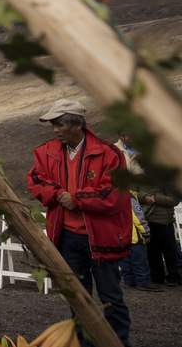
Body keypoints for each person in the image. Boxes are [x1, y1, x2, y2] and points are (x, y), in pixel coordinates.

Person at [27, 99, 132, 347]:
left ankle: (118, 343)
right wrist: (58, 195)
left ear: (77, 125)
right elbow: (36, 180)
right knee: (77, 298)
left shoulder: (109, 153)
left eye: (59, 124)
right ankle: (84, 343)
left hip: (101, 238)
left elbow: (114, 194)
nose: (55, 130)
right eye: (53, 125)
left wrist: (76, 199)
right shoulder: (45, 152)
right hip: (66, 237)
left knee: (111, 297)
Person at [139, 184, 180, 287]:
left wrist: (155, 198)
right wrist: (144, 197)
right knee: (152, 252)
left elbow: (174, 200)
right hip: (147, 222)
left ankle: (173, 276)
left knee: (170, 252)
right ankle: (157, 276)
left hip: (164, 222)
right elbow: (134, 193)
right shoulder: (141, 179)